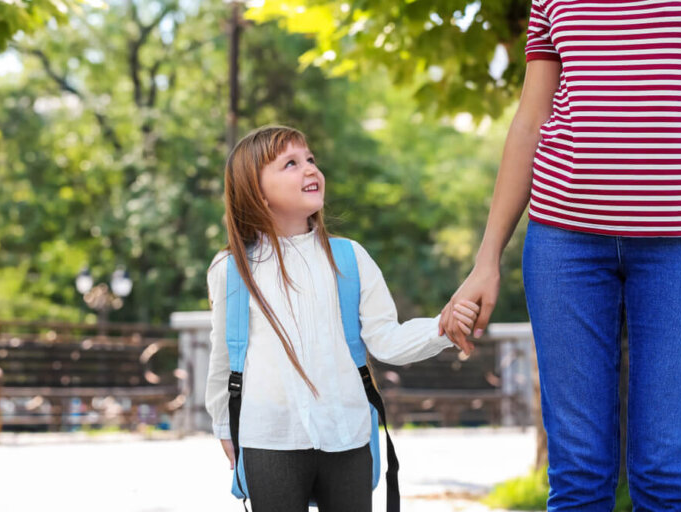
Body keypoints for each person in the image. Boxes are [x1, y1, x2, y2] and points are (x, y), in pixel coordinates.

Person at [441, 1, 681, 510]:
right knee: (578, 473)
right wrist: (487, 258)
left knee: (667, 472)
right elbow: (532, 117)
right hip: (566, 244)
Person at [205, 125, 479, 512]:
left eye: (311, 159)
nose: (310, 169)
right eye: (291, 164)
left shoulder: (350, 258)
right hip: (268, 437)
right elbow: (223, 360)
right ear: (257, 192)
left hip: (347, 435)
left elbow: (386, 339)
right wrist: (223, 427)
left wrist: (441, 327)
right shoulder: (232, 269)